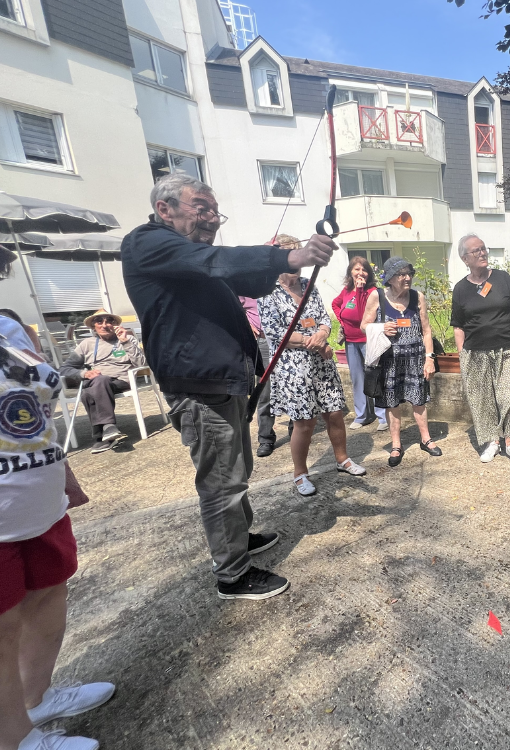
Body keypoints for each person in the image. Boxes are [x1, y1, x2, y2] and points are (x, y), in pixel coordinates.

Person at [121, 173, 334, 600]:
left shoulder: (194, 256)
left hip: (223, 380)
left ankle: (238, 538)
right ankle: (233, 574)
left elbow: (248, 281)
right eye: (202, 208)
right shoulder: (148, 243)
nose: (212, 219)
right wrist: (288, 255)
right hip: (198, 385)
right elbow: (215, 261)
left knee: (236, 471)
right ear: (165, 209)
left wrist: (288, 262)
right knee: (222, 482)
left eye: (217, 212)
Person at [1, 305, 115, 750]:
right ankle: (16, 739)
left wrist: (64, 477)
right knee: (2, 627)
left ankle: (37, 699)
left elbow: (36, 412)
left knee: (48, 594)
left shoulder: (9, 327)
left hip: (40, 501)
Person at [258, 235, 366, 497]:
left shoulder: (309, 285)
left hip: (321, 362)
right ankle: (300, 473)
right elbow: (277, 334)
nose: (296, 263)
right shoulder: (267, 291)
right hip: (293, 367)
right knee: (304, 422)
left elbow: (323, 319)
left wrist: (323, 333)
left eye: (298, 254)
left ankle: (342, 459)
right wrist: (316, 343)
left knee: (335, 413)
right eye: (289, 256)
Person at [450, 234, 510, 465]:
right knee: (482, 399)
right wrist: (462, 354)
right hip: (475, 352)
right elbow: (458, 325)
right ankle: (492, 441)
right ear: (465, 259)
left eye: (483, 248)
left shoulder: (502, 278)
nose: (482, 253)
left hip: (509, 348)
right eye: (476, 250)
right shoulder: (460, 289)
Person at [359, 256, 440, 467]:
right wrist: (380, 328)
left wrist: (429, 359)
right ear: (390, 278)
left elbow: (426, 331)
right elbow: (364, 325)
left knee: (419, 400)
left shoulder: (417, 297)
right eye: (401, 274)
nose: (407, 278)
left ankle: (426, 439)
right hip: (389, 361)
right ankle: (396, 444)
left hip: (415, 359)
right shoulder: (377, 296)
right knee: (392, 401)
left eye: (409, 273)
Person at [58, 309, 147, 454]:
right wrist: (84, 373)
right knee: (93, 386)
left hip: (121, 380)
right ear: (94, 326)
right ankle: (108, 430)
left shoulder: (128, 339)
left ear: (115, 324)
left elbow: (141, 364)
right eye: (99, 321)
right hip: (95, 381)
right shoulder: (87, 344)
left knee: (93, 388)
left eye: (109, 321)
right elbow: (64, 369)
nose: (104, 325)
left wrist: (125, 342)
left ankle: (101, 435)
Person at [331, 256, 388, 432]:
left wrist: (360, 291)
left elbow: (361, 315)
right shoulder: (346, 291)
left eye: (364, 269)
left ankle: (382, 416)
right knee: (357, 379)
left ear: (368, 273)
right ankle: (362, 415)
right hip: (351, 342)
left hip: (368, 341)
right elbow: (335, 304)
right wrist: (342, 321)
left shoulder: (372, 292)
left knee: (374, 376)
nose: (360, 272)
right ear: (350, 272)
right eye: (356, 269)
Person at [239, 295, 278, 457]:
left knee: (293, 387)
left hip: (289, 340)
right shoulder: (245, 287)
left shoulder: (283, 284)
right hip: (263, 341)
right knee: (265, 391)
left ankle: (295, 428)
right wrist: (247, 325)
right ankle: (266, 437)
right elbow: (233, 308)